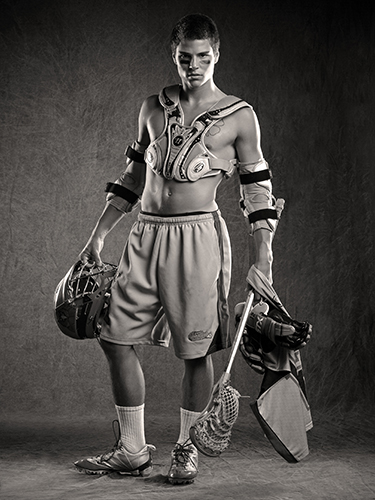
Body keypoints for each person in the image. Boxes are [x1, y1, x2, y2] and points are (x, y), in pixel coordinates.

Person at [74, 13, 283, 485]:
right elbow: (130, 178)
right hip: (144, 234)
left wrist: (262, 255)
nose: (193, 66)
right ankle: (131, 448)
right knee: (114, 337)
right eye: (185, 57)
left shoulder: (239, 115)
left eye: (203, 57)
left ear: (216, 55)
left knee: (195, 351)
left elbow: (257, 193)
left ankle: (186, 449)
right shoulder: (152, 106)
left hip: (197, 239)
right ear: (174, 55)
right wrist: (99, 233)